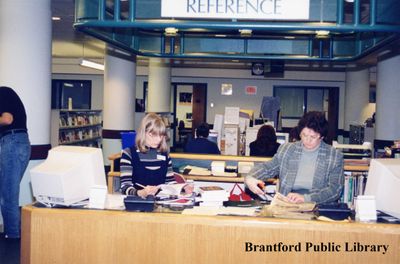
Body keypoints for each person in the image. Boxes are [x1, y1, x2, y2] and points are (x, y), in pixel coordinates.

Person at [245, 111, 343, 204]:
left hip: (318, 207)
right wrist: (251, 177)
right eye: (304, 135)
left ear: (322, 137)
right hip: (287, 205)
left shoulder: (333, 156)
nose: (307, 140)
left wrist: (306, 198)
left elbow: (335, 190)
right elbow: (268, 167)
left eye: (313, 137)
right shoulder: (287, 150)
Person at [120, 113, 191, 198]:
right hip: (138, 202)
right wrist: (141, 192)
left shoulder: (164, 154)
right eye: (153, 135)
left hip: (161, 202)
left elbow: (170, 182)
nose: (158, 139)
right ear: (144, 132)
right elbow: (125, 186)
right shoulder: (129, 154)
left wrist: (182, 187)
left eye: (161, 135)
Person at [0, 86, 31, 239]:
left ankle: (12, 235)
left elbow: (7, 119)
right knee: (8, 190)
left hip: (13, 143)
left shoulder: (2, 92)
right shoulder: (7, 94)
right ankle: (14, 230)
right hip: (17, 142)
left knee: (8, 194)